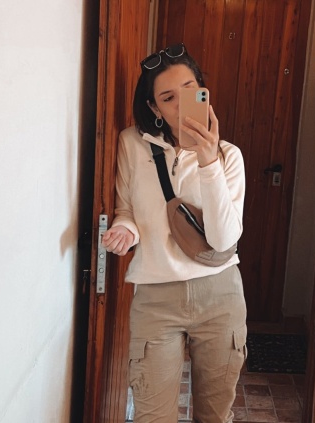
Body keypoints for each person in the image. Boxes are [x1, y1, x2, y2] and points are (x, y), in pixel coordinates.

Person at [101, 43, 247, 423]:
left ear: (203, 90)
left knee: (215, 416)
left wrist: (208, 161)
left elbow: (223, 239)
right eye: (168, 98)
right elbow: (126, 210)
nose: (181, 105)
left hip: (219, 294)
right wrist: (124, 231)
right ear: (154, 108)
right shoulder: (132, 144)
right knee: (152, 417)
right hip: (156, 296)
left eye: (189, 90)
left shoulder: (229, 156)